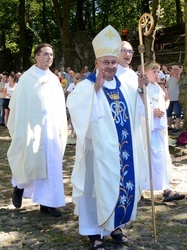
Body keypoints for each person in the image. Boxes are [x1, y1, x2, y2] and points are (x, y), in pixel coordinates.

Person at [66, 25, 148, 249]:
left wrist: (141, 90)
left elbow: (138, 112)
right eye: (106, 62)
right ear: (97, 63)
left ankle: (114, 226)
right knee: (96, 189)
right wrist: (94, 90)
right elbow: (74, 106)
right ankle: (94, 233)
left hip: (123, 151)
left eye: (113, 62)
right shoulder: (86, 86)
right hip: (97, 150)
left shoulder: (125, 85)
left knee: (119, 186)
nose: (110, 66)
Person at [7, 43, 67, 217]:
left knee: (51, 164)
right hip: (32, 128)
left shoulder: (54, 79)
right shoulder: (27, 78)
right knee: (31, 161)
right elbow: (17, 105)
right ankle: (19, 187)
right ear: (37, 57)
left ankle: (47, 203)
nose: (49, 58)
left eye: (51, 55)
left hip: (51, 129)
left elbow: (59, 105)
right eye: (46, 54)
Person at [143, 62, 185, 202]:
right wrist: (151, 110)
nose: (157, 74)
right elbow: (138, 105)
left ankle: (165, 188)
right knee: (148, 157)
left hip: (158, 128)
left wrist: (164, 102)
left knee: (160, 157)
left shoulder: (157, 87)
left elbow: (164, 102)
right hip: (147, 129)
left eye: (158, 71)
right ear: (146, 72)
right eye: (153, 71)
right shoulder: (142, 88)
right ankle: (141, 189)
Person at [166, 65, 182, 133]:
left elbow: (179, 80)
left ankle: (177, 126)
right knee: (168, 113)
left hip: (177, 98)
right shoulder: (170, 78)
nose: (174, 70)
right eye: (173, 69)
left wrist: (175, 74)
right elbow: (167, 86)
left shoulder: (180, 77)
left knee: (178, 113)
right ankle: (169, 126)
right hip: (169, 98)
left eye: (176, 69)